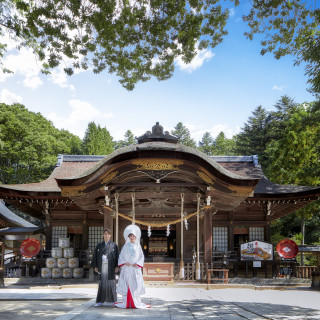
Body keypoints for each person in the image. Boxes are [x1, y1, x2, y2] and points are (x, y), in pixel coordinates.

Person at [114, 224, 150, 309]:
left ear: (136, 237)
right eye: (130, 236)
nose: (132, 237)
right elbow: (121, 256)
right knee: (126, 285)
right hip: (127, 268)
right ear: (128, 237)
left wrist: (137, 263)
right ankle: (126, 302)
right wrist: (124, 262)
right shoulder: (125, 246)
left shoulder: (138, 246)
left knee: (136, 285)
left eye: (133, 236)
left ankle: (135, 301)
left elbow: (141, 256)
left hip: (135, 268)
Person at [91, 227, 119, 306]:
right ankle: (100, 301)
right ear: (103, 235)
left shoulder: (114, 245)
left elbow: (117, 256)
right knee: (102, 283)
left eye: (108, 234)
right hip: (102, 266)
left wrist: (117, 266)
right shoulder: (99, 245)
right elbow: (95, 256)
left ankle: (113, 300)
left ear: (110, 235)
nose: (106, 236)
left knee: (111, 283)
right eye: (105, 234)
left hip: (111, 266)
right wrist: (95, 266)